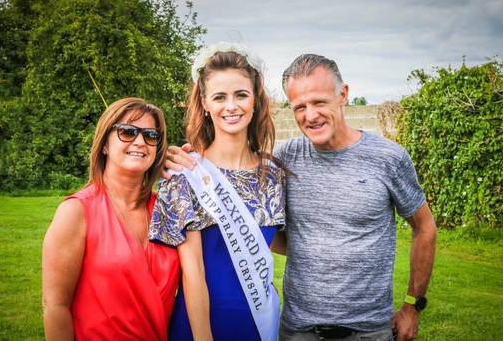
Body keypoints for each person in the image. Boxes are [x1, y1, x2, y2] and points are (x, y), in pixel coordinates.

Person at [166, 54, 437, 341]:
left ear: (343, 94)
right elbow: (267, 232)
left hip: (370, 330)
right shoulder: (283, 161)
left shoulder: (389, 158)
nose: (311, 115)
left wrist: (413, 304)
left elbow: (425, 227)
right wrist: (171, 159)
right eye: (300, 107)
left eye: (319, 102)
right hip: (298, 330)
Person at [149, 43, 285, 341]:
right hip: (201, 326)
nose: (231, 106)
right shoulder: (186, 175)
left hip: (260, 324)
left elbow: (284, 244)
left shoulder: (274, 175)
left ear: (255, 100)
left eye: (241, 95)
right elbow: (193, 274)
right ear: (205, 103)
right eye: (219, 97)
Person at [42, 98, 180, 340]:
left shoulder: (168, 209)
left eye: (150, 135)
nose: (140, 141)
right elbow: (55, 307)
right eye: (127, 132)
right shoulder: (76, 212)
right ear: (105, 144)